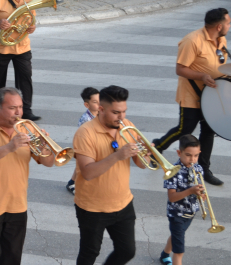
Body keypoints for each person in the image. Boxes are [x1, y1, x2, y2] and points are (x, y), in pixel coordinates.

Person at [0, 87, 55, 264]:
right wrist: (9, 147)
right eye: (13, 108)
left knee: (11, 259)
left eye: (20, 107)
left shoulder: (28, 128)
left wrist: (44, 146)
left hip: (17, 205)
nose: (19, 112)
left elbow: (49, 162)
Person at [152, 8, 229, 186]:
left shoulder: (221, 39)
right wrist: (202, 76)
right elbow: (180, 69)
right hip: (192, 95)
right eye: (228, 23)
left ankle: (203, 169)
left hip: (212, 96)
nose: (229, 26)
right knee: (184, 129)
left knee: (209, 131)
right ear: (219, 26)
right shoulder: (192, 41)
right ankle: (157, 148)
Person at [73, 85, 147, 265]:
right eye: (115, 112)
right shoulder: (85, 133)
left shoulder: (128, 126)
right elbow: (88, 172)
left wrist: (145, 153)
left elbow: (141, 164)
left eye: (124, 111)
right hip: (92, 208)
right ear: (101, 109)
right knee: (89, 253)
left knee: (127, 251)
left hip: (123, 203)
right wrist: (117, 156)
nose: (121, 117)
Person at [159, 135, 203, 265]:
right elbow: (172, 197)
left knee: (177, 236)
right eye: (188, 155)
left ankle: (164, 254)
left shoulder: (198, 169)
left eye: (196, 156)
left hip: (190, 212)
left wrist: (201, 194)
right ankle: (169, 256)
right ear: (179, 153)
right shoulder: (172, 172)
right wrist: (190, 190)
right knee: (179, 251)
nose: (192, 159)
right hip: (176, 214)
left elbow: (199, 188)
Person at [66, 87, 99, 195]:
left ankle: (73, 182)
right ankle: (73, 183)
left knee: (82, 165)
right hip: (85, 145)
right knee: (82, 166)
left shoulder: (99, 114)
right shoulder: (86, 118)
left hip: (95, 143)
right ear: (87, 105)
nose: (99, 104)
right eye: (95, 102)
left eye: (100, 100)